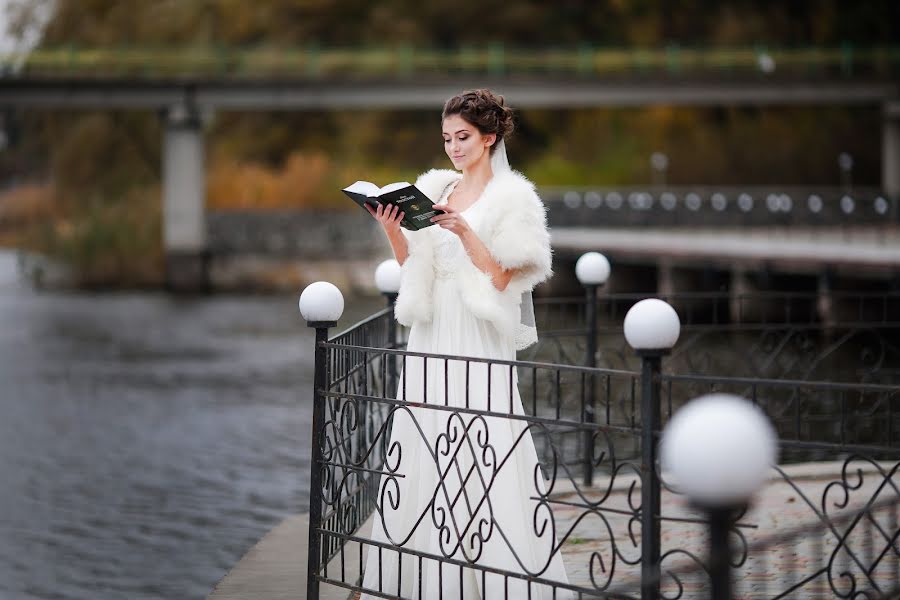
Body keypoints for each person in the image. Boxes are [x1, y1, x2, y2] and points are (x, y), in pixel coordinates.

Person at [360, 89, 570, 599]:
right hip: (432, 334)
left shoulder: (513, 198)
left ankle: (492, 577)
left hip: (475, 334)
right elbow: (417, 269)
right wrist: (391, 229)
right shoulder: (436, 187)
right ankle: (421, 575)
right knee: (425, 434)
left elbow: (502, 278)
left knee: (482, 437)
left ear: (489, 138)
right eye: (447, 138)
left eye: (463, 137)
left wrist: (465, 231)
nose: (453, 147)